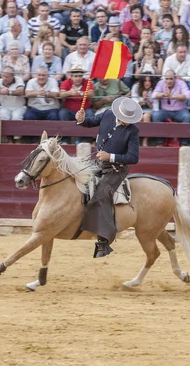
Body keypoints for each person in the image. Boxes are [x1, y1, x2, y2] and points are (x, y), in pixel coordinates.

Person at [75, 96, 141, 258]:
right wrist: (81, 119)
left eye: (129, 120)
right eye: (125, 119)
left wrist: (110, 156)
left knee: (101, 195)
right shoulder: (107, 114)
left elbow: (133, 158)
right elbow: (90, 122)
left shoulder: (133, 131)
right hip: (98, 163)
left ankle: (104, 240)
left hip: (116, 169)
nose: (127, 122)